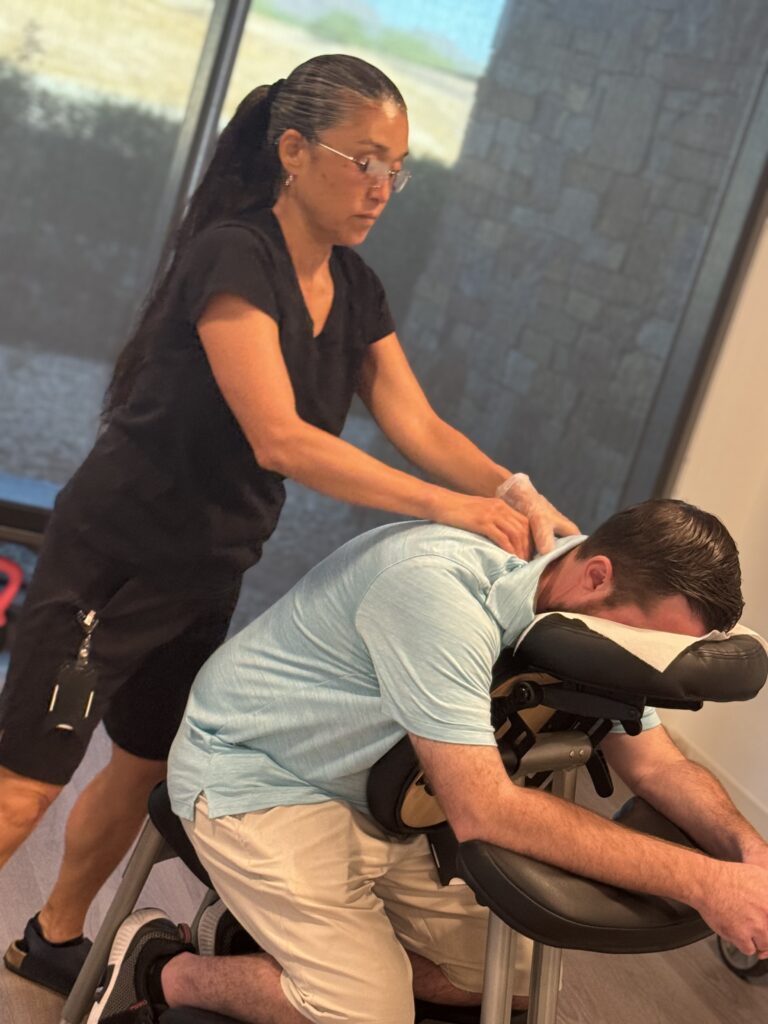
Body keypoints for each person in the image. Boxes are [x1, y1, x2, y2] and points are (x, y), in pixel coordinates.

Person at [0, 53, 578, 996]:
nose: (382, 187)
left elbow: (420, 425)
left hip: (204, 574)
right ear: (295, 150)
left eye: (397, 167)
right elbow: (280, 439)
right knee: (25, 780)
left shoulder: (356, 290)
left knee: (141, 764)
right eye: (364, 160)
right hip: (113, 563)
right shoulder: (235, 254)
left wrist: (516, 493)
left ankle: (51, 934)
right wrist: (449, 507)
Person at [85, 498, 768, 1024]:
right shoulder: (435, 593)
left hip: (387, 802)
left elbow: (655, 766)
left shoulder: (598, 626)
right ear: (596, 577)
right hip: (263, 776)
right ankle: (160, 967)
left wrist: (745, 851)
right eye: (656, 645)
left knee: (527, 976)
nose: (649, 665)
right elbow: (482, 810)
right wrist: (705, 884)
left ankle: (257, 945)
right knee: (372, 1013)